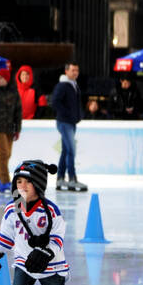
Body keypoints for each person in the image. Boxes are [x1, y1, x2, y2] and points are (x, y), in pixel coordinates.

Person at [49, 62, 86, 191]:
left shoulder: (73, 85)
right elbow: (55, 102)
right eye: (73, 70)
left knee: (66, 151)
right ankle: (71, 179)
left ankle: (60, 178)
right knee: (71, 150)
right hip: (65, 123)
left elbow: (75, 104)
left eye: (77, 70)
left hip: (71, 122)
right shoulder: (63, 85)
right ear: (66, 71)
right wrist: (68, 115)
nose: (75, 72)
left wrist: (78, 115)